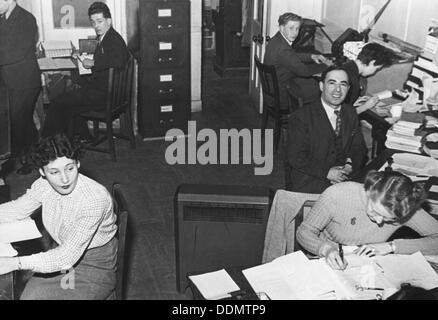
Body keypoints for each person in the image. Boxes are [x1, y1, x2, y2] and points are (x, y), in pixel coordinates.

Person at [0, 133, 118, 299]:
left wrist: (15, 263)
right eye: (54, 172)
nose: (64, 179)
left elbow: (66, 257)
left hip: (93, 266)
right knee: (28, 295)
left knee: (30, 297)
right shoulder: (44, 185)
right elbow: (18, 209)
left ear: (77, 163)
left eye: (70, 168)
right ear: (42, 171)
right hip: (62, 252)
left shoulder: (93, 199)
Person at [297, 170, 438, 271]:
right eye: (375, 211)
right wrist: (325, 249)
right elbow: (304, 232)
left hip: (372, 264)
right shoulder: (337, 195)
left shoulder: (405, 206)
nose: (378, 221)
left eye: (389, 219)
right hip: (330, 258)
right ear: (369, 191)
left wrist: (392, 246)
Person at [41, 1, 129, 139]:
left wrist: (93, 63)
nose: (96, 26)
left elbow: (118, 60)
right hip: (104, 91)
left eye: (99, 21)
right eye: (93, 22)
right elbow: (108, 58)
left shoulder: (113, 39)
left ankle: (47, 145)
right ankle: (83, 136)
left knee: (58, 102)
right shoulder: (107, 37)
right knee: (68, 96)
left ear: (109, 21)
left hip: (104, 96)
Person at [286, 65, 367, 193]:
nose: (338, 90)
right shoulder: (301, 117)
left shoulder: (350, 113)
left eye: (343, 84)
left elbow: (359, 147)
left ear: (348, 89)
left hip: (344, 177)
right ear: (321, 86)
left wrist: (348, 166)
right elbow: (296, 157)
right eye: (332, 83)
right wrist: (327, 173)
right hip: (311, 180)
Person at [0, 0, 42, 175]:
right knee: (22, 120)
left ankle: (31, 159)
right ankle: (33, 156)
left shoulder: (26, 19)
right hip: (10, 81)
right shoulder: (3, 18)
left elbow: (14, 52)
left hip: (25, 82)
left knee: (19, 120)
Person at [264, 12, 331, 109]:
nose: (295, 33)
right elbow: (304, 71)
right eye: (291, 28)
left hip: (274, 89)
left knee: (309, 85)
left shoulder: (276, 40)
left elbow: (291, 56)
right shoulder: (283, 49)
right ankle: (310, 120)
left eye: (297, 29)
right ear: (282, 28)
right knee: (319, 89)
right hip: (282, 96)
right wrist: (326, 65)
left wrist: (311, 56)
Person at [342, 42, 393, 114]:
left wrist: (353, 101)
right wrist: (365, 106)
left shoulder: (346, 67)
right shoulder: (352, 80)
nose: (375, 72)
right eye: (377, 69)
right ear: (372, 62)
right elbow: (341, 116)